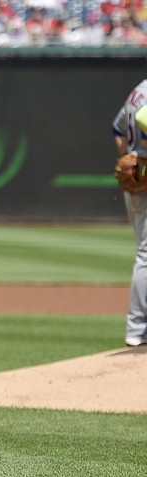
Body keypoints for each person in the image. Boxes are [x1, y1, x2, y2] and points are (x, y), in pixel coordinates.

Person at [113, 79, 147, 347]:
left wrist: (128, 157)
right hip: (145, 178)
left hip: (136, 178)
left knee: (144, 253)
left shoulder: (137, 90)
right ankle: (137, 329)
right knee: (146, 255)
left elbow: (117, 129)